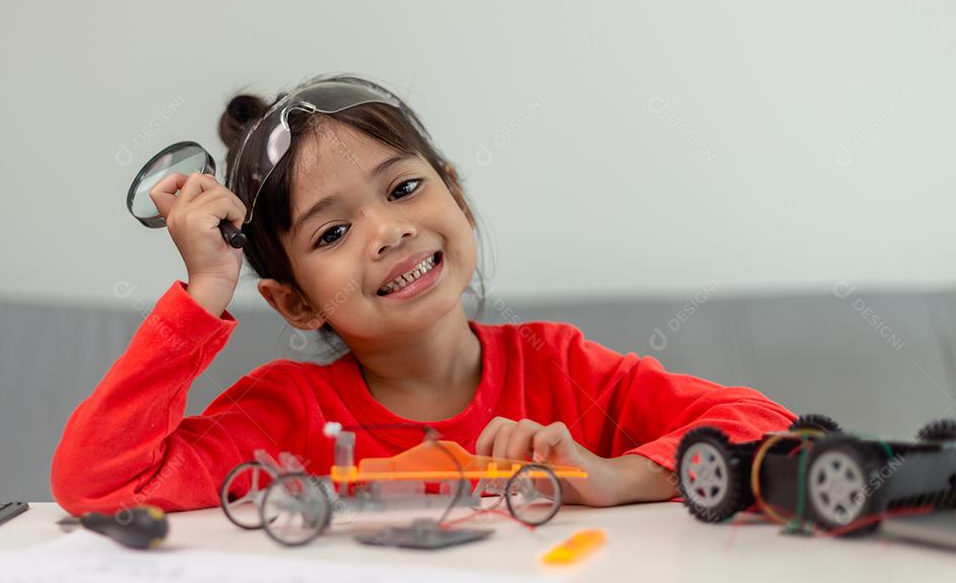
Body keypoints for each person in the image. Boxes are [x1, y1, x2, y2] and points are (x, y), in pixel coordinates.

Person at [50, 73, 796, 517]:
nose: (387, 231)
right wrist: (207, 287)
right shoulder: (283, 414)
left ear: (458, 200)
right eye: (332, 233)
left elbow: (768, 426)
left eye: (404, 188)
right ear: (296, 303)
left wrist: (613, 478)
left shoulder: (560, 366)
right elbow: (102, 483)